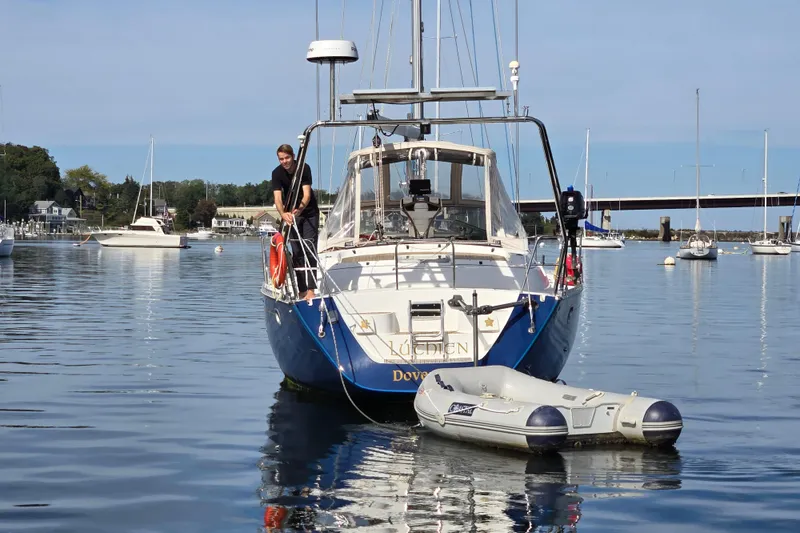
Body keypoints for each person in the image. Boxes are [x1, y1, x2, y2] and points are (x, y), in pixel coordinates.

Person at [272, 144, 320, 301]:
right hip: (291, 215)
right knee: (297, 252)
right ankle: (302, 290)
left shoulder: (304, 168)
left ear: (293, 156)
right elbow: (278, 198)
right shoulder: (277, 173)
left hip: (309, 212)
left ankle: (312, 289)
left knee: (309, 247)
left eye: (287, 158)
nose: (285, 161)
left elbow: (306, 195)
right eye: (281, 159)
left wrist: (299, 209)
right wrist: (283, 213)